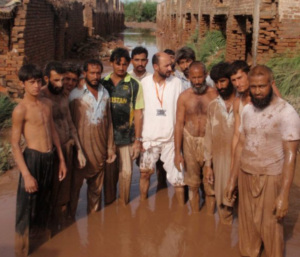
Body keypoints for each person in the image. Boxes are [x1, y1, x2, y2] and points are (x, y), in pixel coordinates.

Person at [225, 65, 300, 257]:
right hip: (246, 173)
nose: (257, 92)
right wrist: (232, 180)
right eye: (254, 87)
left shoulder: (286, 112)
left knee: (271, 228)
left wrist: (284, 195)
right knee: (247, 226)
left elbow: (291, 155)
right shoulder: (247, 110)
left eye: (262, 87)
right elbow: (241, 145)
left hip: (271, 176)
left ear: (271, 84)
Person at [11, 64, 67, 256]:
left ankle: (45, 247)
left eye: (38, 82)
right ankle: (22, 251)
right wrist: (26, 175)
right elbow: (15, 145)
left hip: (50, 157)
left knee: (46, 203)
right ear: (23, 84)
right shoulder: (20, 110)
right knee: (26, 210)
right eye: (31, 82)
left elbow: (53, 132)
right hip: (33, 159)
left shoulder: (46, 104)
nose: (36, 86)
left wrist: (61, 160)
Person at [41, 61, 86, 229]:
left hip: (67, 148)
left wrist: (79, 150)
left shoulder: (66, 97)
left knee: (65, 193)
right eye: (59, 80)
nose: (64, 84)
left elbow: (70, 124)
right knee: (50, 193)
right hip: (50, 152)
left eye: (66, 80)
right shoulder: (42, 98)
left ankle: (63, 226)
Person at [69, 59, 116, 217]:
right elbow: (69, 125)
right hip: (80, 153)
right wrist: (76, 150)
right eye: (92, 73)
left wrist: (110, 147)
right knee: (73, 191)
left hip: (100, 150)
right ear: (84, 73)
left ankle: (94, 224)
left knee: (96, 192)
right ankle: (70, 222)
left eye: (98, 73)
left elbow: (108, 121)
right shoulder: (75, 94)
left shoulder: (105, 93)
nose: (96, 76)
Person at [139, 52, 185, 204]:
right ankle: (143, 205)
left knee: (178, 179)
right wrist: (138, 139)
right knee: (145, 174)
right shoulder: (144, 83)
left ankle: (181, 212)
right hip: (149, 139)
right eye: (166, 65)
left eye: (171, 65)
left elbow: (181, 110)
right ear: (155, 66)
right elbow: (138, 112)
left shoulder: (177, 83)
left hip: (170, 140)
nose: (170, 68)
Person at [102, 48, 144, 205]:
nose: (121, 68)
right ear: (111, 63)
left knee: (126, 173)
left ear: (129, 64)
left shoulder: (134, 85)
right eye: (118, 64)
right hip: (107, 138)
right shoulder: (103, 83)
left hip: (127, 136)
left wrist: (137, 140)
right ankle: (109, 205)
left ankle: (124, 204)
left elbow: (138, 113)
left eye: (124, 64)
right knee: (109, 175)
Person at [174, 61, 218, 213]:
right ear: (189, 77)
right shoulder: (184, 97)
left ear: (206, 75)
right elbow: (179, 125)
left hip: (209, 142)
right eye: (194, 78)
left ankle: (210, 219)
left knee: (210, 184)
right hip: (190, 142)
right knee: (192, 184)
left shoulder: (214, 95)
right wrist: (177, 153)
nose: (198, 81)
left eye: (200, 77)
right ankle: (194, 218)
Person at [229, 60, 281, 168]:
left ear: (248, 75)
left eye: (240, 78)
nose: (237, 84)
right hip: (247, 155)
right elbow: (236, 135)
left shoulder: (266, 95)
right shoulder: (237, 103)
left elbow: (281, 113)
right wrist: (233, 163)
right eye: (234, 80)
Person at [203, 62, 235, 224]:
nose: (220, 86)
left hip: (241, 163)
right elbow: (209, 137)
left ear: (231, 80)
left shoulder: (245, 104)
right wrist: (208, 165)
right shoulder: (213, 106)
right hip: (220, 162)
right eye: (216, 82)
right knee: (224, 205)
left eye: (223, 81)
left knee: (246, 207)